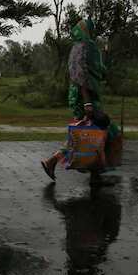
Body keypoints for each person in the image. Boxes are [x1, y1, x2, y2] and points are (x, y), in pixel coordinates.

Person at [41, 18, 122, 181]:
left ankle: (93, 174)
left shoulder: (77, 47)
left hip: (81, 98)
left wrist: (104, 55)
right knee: (103, 132)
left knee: (87, 133)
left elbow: (95, 70)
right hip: (86, 99)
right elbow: (80, 76)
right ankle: (55, 162)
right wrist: (87, 102)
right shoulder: (87, 47)